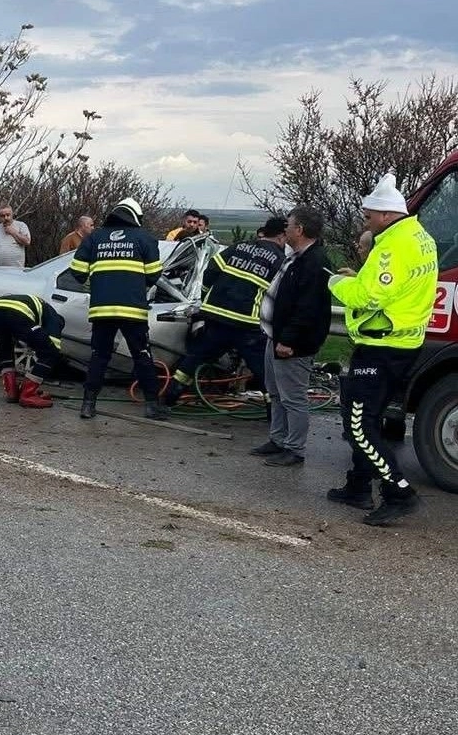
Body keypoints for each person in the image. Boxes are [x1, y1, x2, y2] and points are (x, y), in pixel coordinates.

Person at [328, 173, 437, 526]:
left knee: (359, 424)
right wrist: (359, 277)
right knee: (369, 416)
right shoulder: (419, 237)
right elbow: (391, 286)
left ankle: (398, 492)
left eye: (369, 216)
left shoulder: (392, 246)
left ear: (387, 214)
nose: (366, 222)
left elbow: (369, 295)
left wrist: (336, 283)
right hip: (404, 342)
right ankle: (358, 485)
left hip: (382, 346)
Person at [164, 217, 286, 408]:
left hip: (215, 315)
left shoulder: (239, 247)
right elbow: (279, 296)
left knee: (196, 357)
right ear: (281, 236)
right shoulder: (279, 260)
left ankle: (169, 397)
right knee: (262, 369)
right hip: (246, 322)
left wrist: (206, 297)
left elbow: (211, 269)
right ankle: (274, 411)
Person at [71, 198, 167, 420]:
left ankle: (88, 405)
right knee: (142, 355)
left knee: (99, 356)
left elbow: (77, 271)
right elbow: (154, 274)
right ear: (136, 216)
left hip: (102, 310)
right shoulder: (145, 238)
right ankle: (152, 407)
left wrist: (99, 281)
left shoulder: (94, 237)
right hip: (133, 310)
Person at [249, 208, 331, 467]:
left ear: (300, 229)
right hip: (275, 336)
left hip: (293, 343)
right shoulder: (295, 257)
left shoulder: (314, 262)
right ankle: (278, 439)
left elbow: (307, 308)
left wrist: (289, 340)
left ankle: (294, 448)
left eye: (289, 225)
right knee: (275, 393)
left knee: (293, 397)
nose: (285, 229)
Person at [0, 294, 66, 409]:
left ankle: (12, 392)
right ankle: (28, 395)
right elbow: (53, 348)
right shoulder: (55, 320)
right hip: (17, 311)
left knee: (6, 348)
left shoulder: (44, 311)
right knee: (50, 352)